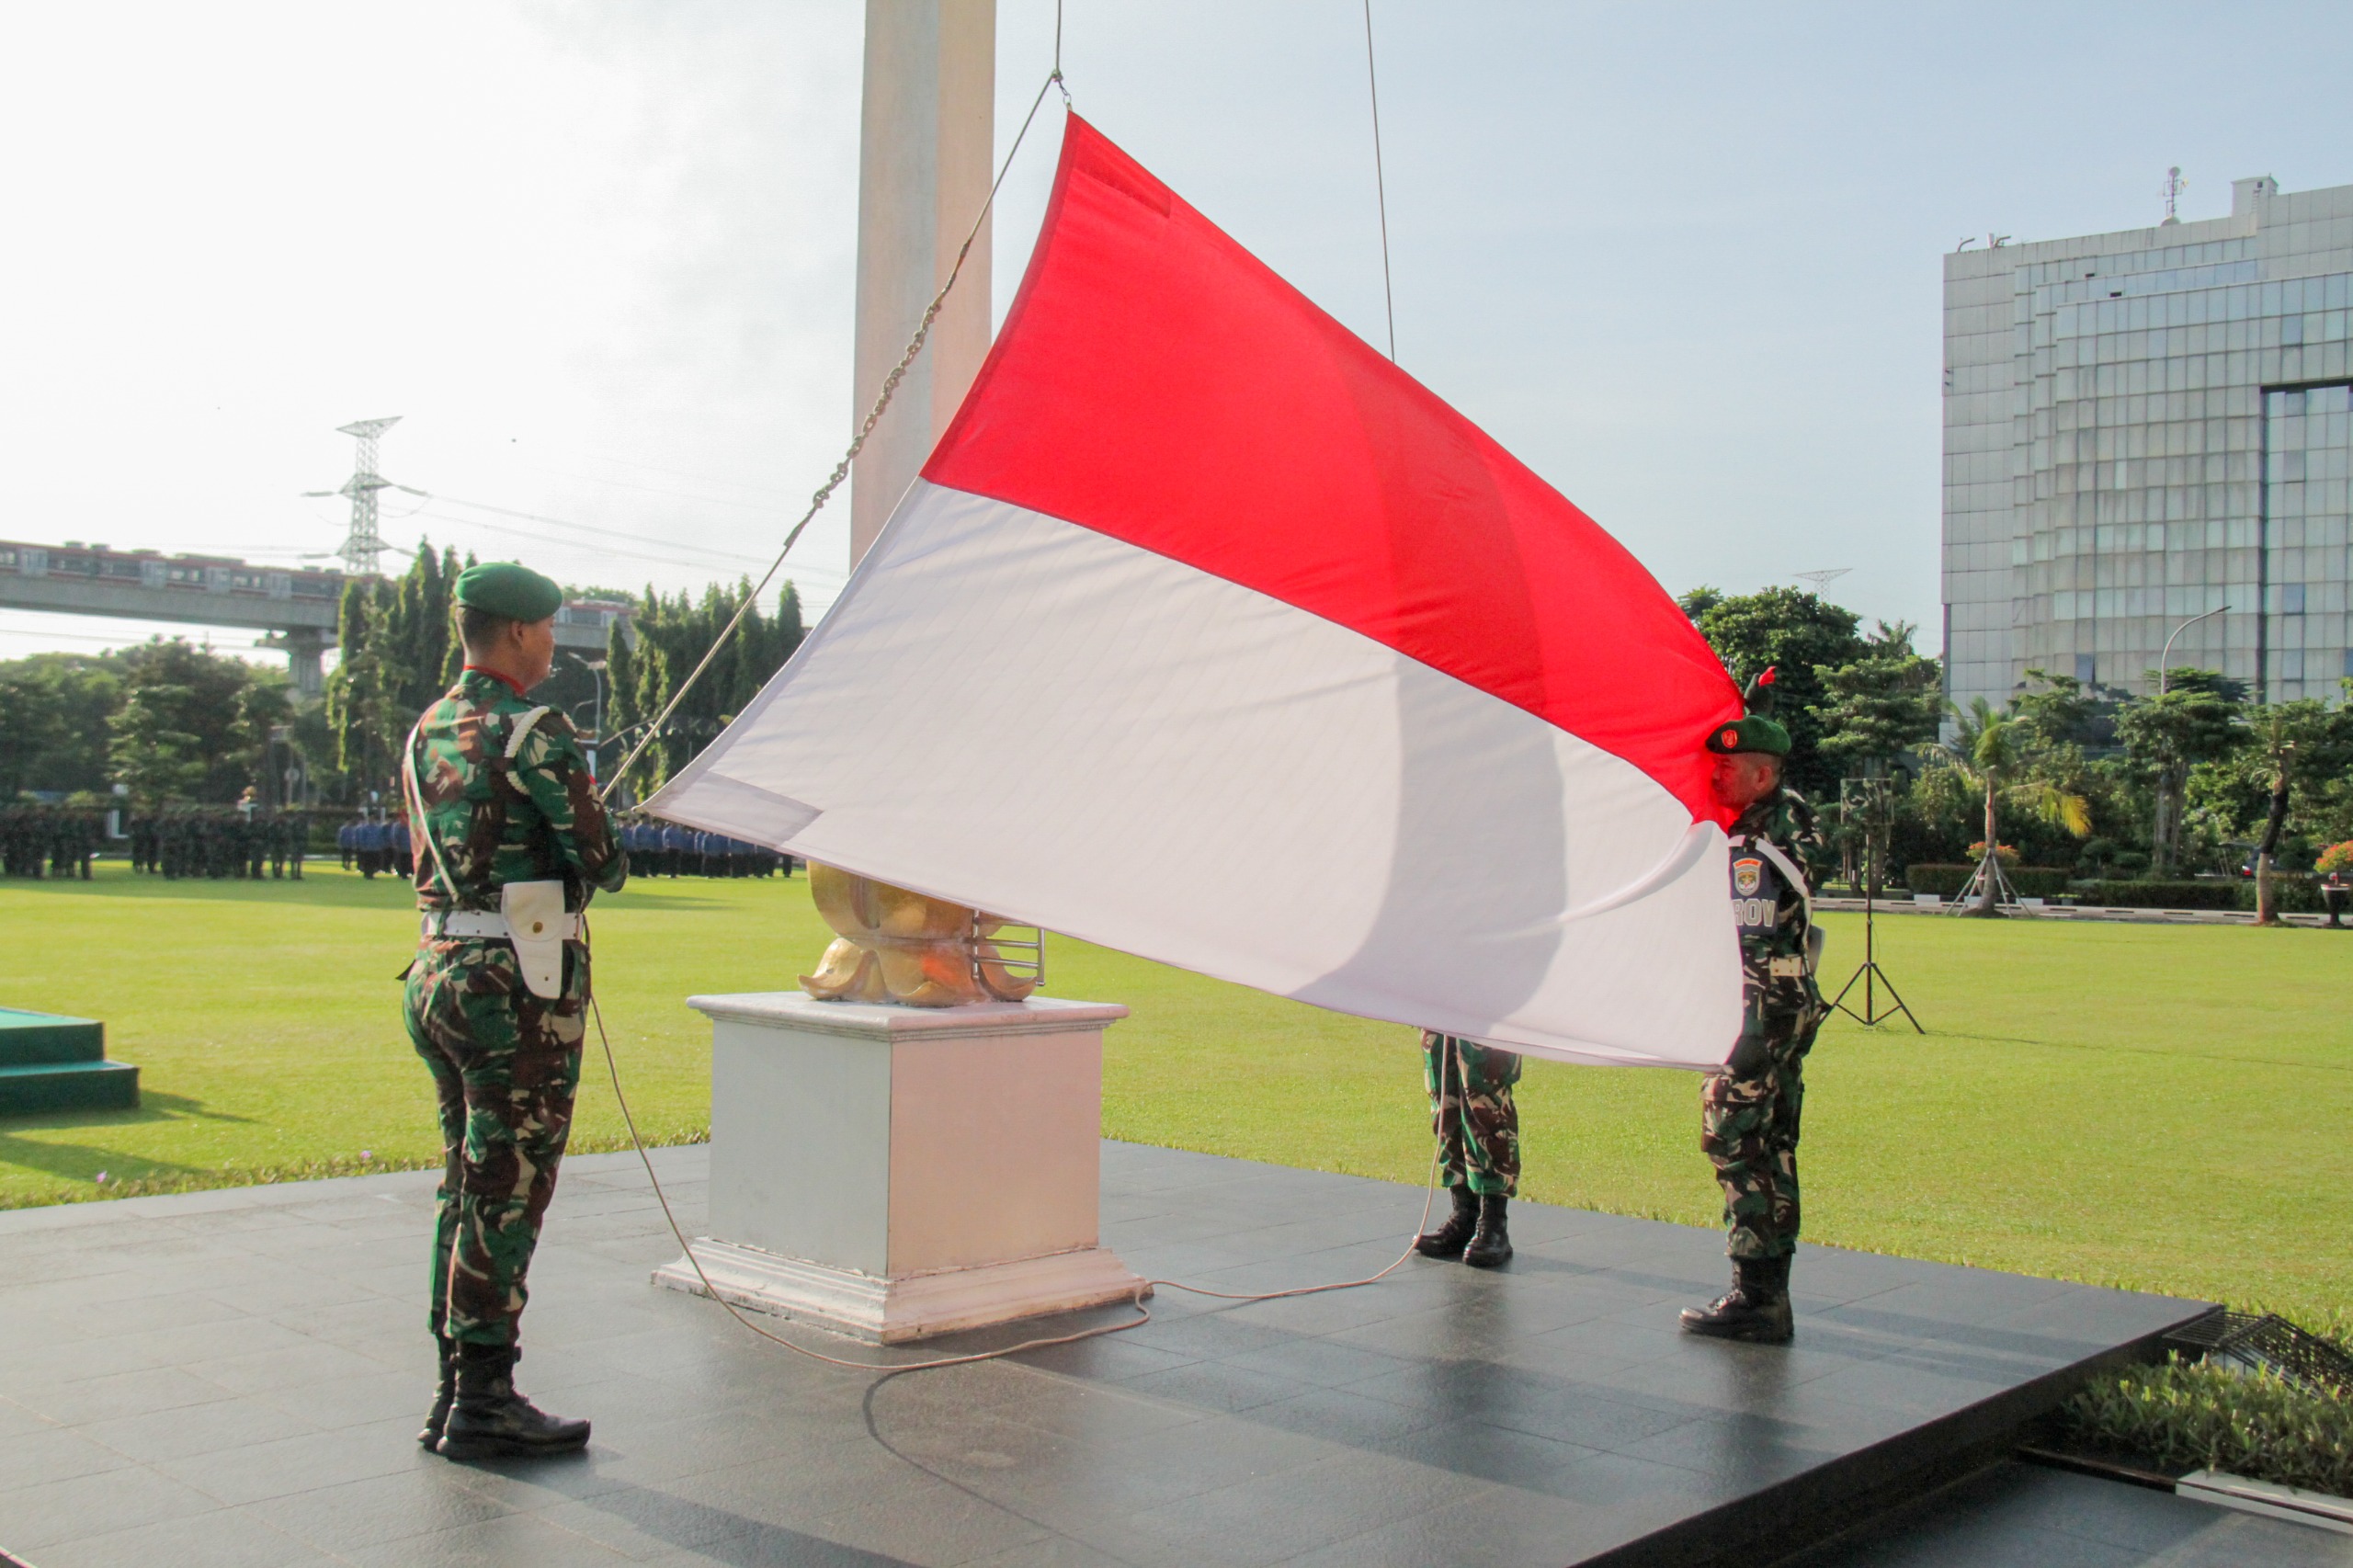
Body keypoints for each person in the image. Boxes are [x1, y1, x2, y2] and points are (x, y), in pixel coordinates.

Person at [403, 561, 627, 1461]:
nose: (552, 647)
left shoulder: (428, 727)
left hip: (439, 968)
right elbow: (602, 859)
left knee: (465, 1185)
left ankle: (452, 1388)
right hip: (514, 985)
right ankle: (484, 1401)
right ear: (523, 632)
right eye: (549, 632)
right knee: (509, 1190)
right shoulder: (536, 729)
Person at [1681, 667, 1824, 1345]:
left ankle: (1755, 1294)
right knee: (1773, 1143)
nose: (1715, 775)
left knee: (1732, 1134)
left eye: (1728, 767)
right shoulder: (1776, 824)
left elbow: (1746, 935)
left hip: (1757, 1007)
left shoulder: (1755, 847)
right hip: (1782, 1000)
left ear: (1763, 776)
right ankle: (1768, 1295)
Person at [1412, 1032, 1520, 1267]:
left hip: (1490, 1016)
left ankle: (1493, 1225)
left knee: (1485, 1099)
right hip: (1443, 1010)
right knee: (1444, 1097)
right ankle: (1464, 1217)